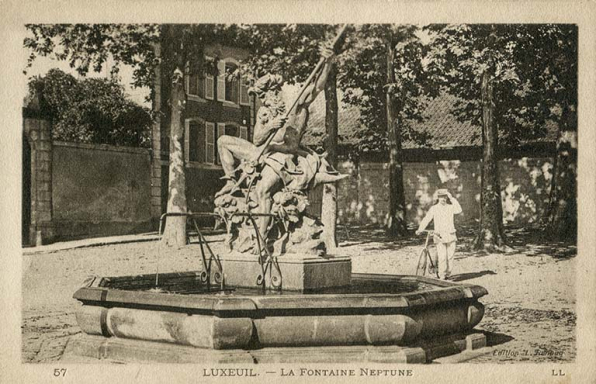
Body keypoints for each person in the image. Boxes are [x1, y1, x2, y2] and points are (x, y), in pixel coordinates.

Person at [215, 42, 336, 198]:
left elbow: (317, 88)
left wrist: (327, 63)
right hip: (262, 151)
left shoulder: (294, 104)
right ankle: (231, 181)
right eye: (261, 97)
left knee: (263, 191)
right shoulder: (264, 112)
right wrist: (270, 126)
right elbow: (257, 140)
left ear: (275, 91)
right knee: (222, 140)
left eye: (266, 94)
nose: (264, 100)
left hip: (282, 154)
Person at [415, 189, 462, 280]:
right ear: (438, 198)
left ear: (446, 197)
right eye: (441, 197)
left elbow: (459, 210)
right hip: (439, 236)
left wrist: (451, 198)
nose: (443, 199)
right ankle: (442, 276)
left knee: (450, 257)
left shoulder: (450, 207)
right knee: (442, 257)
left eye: (445, 197)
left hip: (451, 235)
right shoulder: (434, 208)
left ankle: (448, 274)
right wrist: (420, 229)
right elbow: (427, 219)